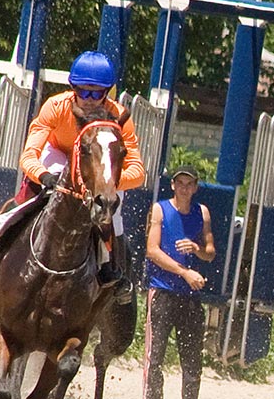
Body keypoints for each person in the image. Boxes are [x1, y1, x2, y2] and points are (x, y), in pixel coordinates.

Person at [17, 50, 146, 301]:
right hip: (59, 156)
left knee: (112, 210)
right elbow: (28, 156)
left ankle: (112, 268)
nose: (88, 99)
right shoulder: (55, 106)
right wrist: (44, 177)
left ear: (107, 92)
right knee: (36, 195)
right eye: (83, 91)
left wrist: (105, 181)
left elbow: (138, 172)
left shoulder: (119, 117)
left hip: (98, 167)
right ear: (72, 87)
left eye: (96, 93)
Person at [142, 165, 216, 399]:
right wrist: (184, 272)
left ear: (195, 188)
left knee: (193, 360)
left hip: (190, 294)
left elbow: (210, 253)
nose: (184, 188)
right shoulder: (159, 210)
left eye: (189, 184)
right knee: (155, 358)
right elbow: (152, 251)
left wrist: (196, 248)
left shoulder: (201, 212)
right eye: (180, 183)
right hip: (163, 291)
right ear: (173, 185)